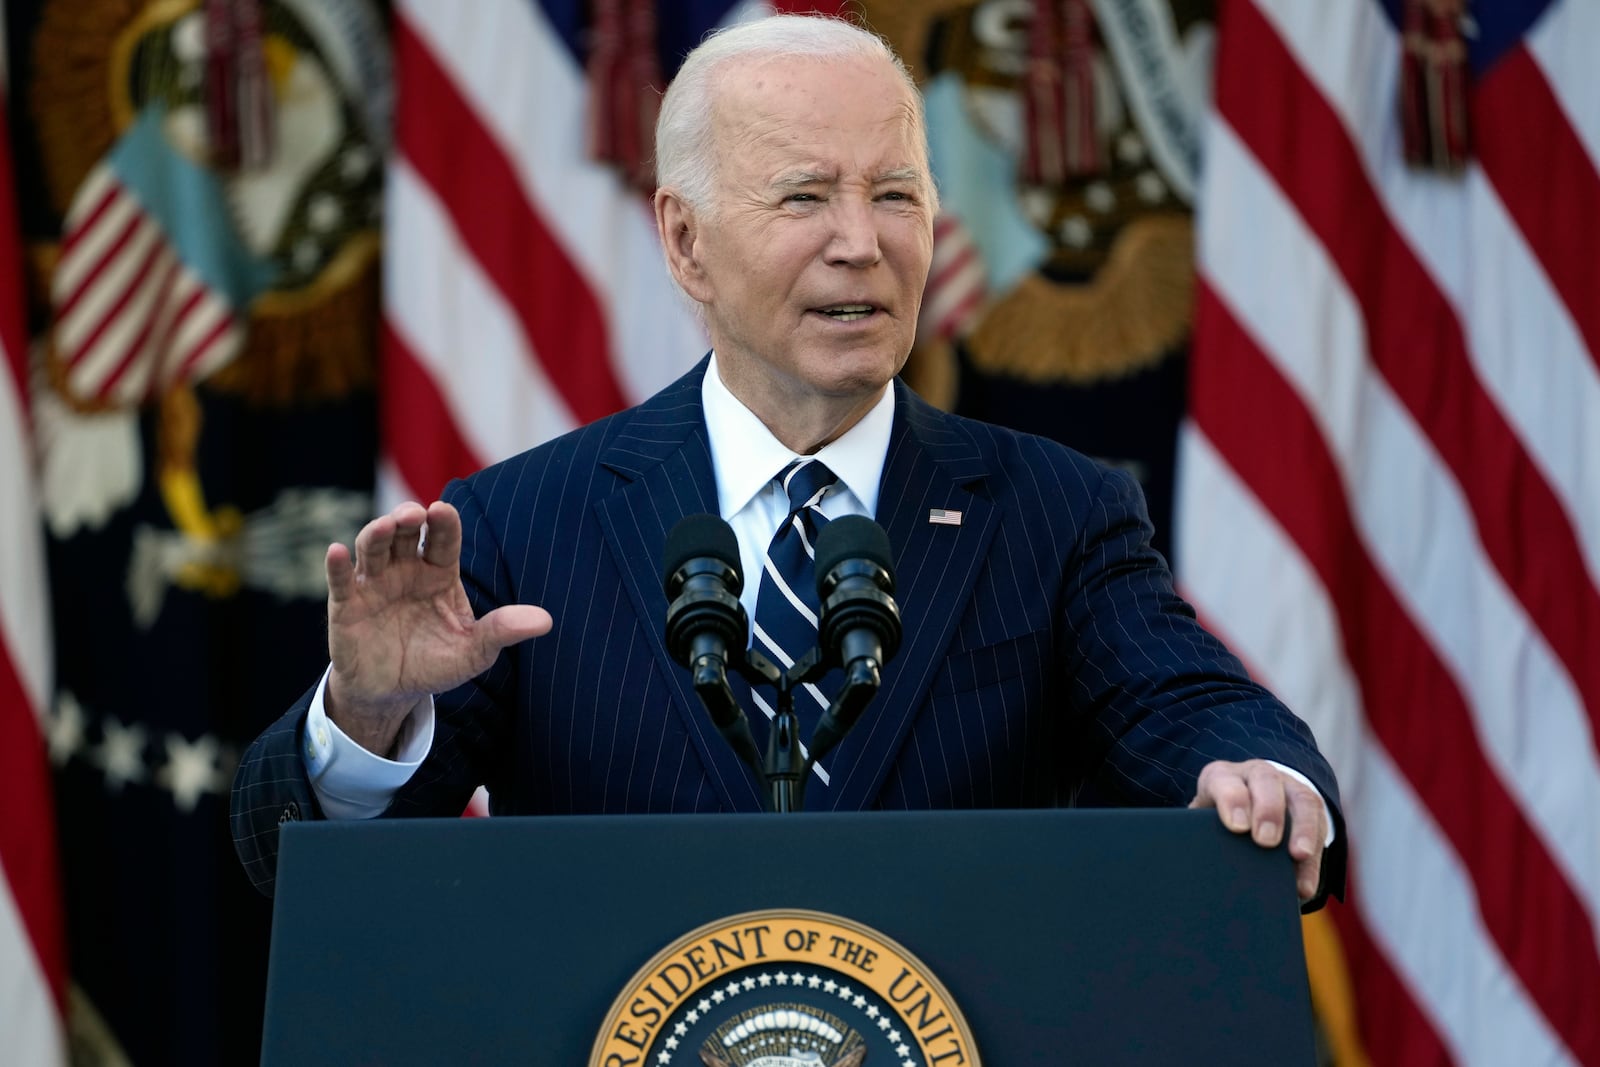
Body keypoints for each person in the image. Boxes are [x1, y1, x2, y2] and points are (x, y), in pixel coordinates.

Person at [231, 14, 1344, 908]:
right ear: (684, 239)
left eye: (895, 192)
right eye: (805, 195)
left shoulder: (1056, 510)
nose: (861, 239)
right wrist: (366, 714)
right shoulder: (527, 520)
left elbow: (1190, 704)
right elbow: (306, 865)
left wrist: (1258, 775)